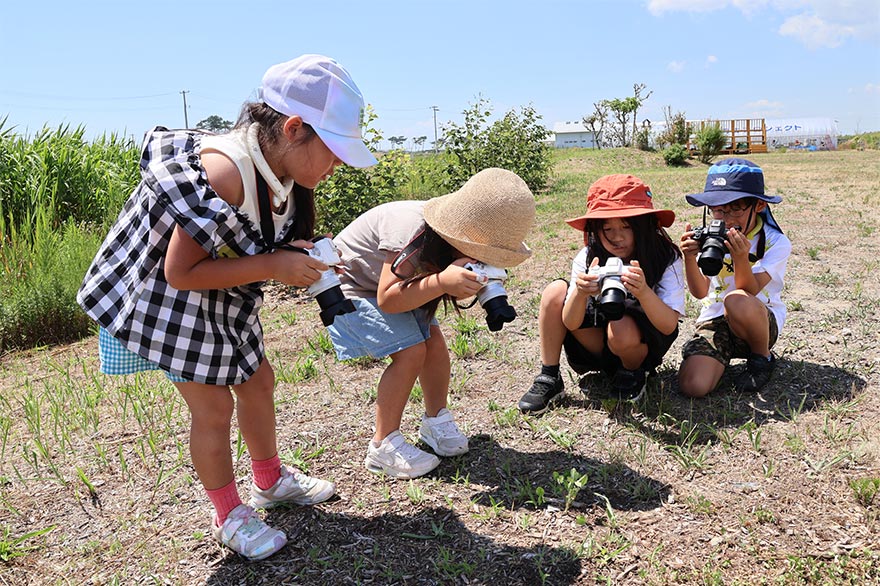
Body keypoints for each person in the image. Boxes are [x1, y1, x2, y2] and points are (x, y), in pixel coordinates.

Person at [76, 55, 377, 560]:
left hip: (220, 293)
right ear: (294, 128)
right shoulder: (226, 171)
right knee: (213, 408)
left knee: (258, 380)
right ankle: (228, 514)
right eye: (335, 150)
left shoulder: (279, 170)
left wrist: (295, 255)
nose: (339, 164)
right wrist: (274, 266)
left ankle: (269, 480)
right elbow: (180, 273)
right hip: (169, 301)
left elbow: (250, 241)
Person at [327, 168, 536, 478]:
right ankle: (383, 446)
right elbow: (387, 299)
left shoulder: (447, 242)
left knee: (433, 343)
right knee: (411, 351)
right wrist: (440, 282)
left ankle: (435, 421)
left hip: (393, 285)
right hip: (348, 287)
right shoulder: (410, 230)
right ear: (460, 236)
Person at [518, 174, 685, 414]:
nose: (617, 237)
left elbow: (669, 325)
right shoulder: (588, 257)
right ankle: (549, 376)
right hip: (596, 346)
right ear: (595, 230)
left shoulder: (665, 257)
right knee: (555, 292)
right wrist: (581, 293)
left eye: (627, 226)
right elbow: (571, 322)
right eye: (607, 228)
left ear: (645, 225)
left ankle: (633, 373)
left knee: (621, 327)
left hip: (638, 347)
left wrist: (644, 292)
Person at [678, 158, 791, 397]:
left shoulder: (775, 242)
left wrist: (740, 257)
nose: (726, 218)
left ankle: (761, 358)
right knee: (693, 386)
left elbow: (749, 290)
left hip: (758, 322)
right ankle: (719, 355)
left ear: (759, 205)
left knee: (736, 299)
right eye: (718, 209)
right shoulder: (711, 237)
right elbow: (699, 291)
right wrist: (689, 257)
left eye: (736, 208)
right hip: (715, 320)